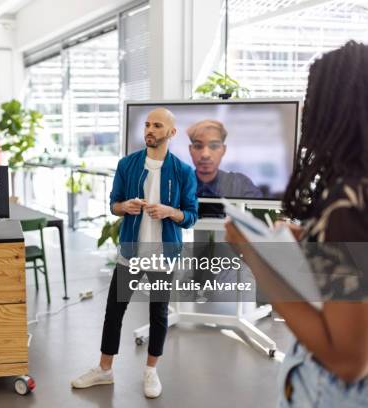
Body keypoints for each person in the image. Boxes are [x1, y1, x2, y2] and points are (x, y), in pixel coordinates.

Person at [225, 41, 368, 407]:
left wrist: (256, 256)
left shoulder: (345, 207)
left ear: (333, 110)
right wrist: (311, 240)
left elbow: (347, 360)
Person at [71, 108, 198, 398]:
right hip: (131, 251)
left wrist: (170, 212)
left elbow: (191, 216)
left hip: (163, 254)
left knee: (158, 314)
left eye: (157, 125)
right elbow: (113, 204)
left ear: (171, 132)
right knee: (114, 311)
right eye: (147, 124)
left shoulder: (183, 172)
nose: (149, 130)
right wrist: (124, 207)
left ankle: (151, 372)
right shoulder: (127, 165)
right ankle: (104, 369)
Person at [187, 119, 263, 198]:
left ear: (223, 150)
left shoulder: (241, 185)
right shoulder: (179, 184)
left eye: (214, 146)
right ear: (190, 149)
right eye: (198, 146)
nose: (205, 154)